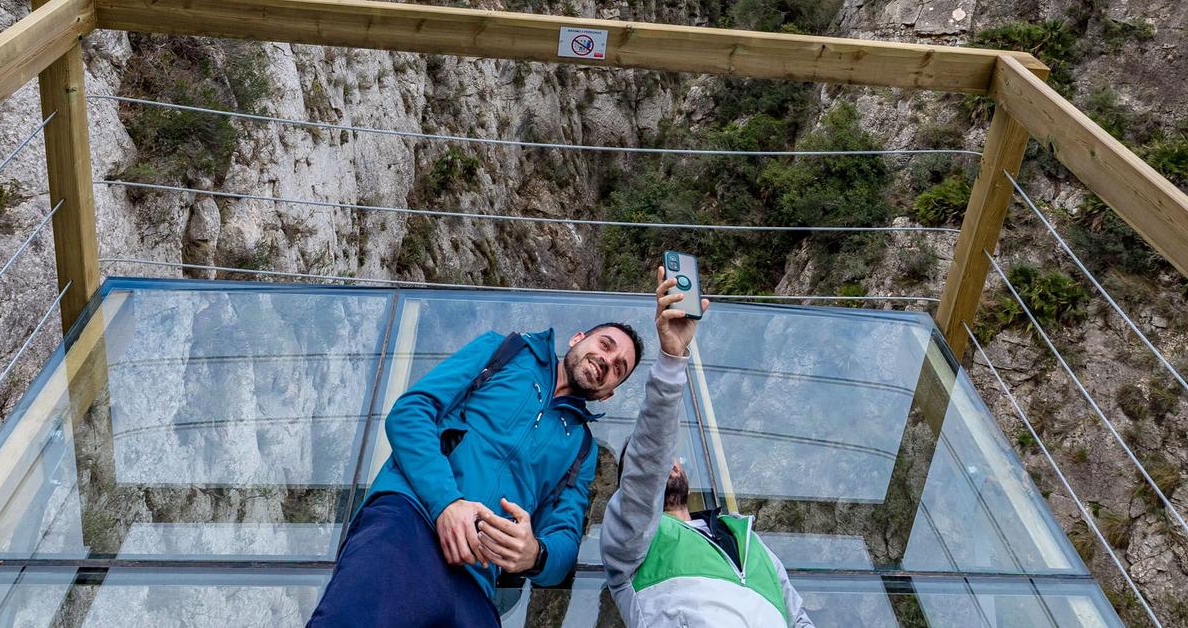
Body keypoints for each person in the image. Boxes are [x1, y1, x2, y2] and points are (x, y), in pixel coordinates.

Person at [306, 319, 644, 628]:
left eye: (619, 368)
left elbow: (566, 539)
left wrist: (534, 554)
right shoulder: (506, 351)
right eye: (606, 345)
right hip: (410, 523)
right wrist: (447, 503)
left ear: (608, 393)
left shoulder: (582, 448)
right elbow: (410, 412)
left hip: (478, 580)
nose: (607, 361)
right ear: (578, 338)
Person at [602, 266, 815, 628]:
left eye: (674, 459)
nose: (667, 464)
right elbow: (648, 461)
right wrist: (671, 359)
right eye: (654, 464)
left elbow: (798, 618)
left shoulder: (749, 540)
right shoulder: (632, 545)